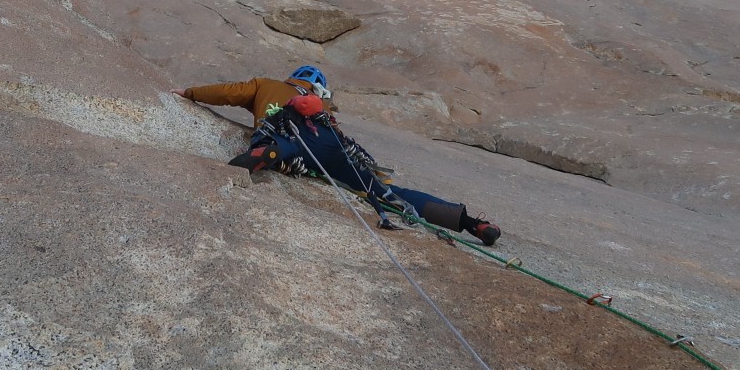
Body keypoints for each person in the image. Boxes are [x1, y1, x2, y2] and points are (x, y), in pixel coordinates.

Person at [172, 66, 503, 246]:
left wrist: (189, 93)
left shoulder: (265, 85)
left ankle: (270, 154)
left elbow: (228, 93)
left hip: (288, 136)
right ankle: (469, 222)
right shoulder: (323, 107)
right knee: (387, 192)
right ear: (318, 89)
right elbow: (340, 137)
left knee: (277, 142)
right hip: (330, 146)